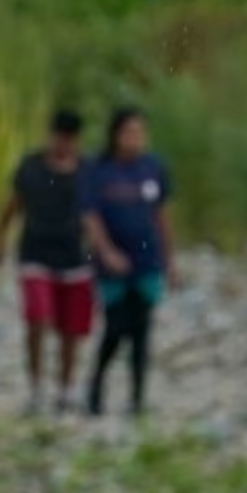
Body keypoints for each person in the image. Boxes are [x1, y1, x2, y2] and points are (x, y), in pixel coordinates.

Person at [0, 109, 93, 415]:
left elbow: (96, 214)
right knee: (38, 316)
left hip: (74, 256)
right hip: (35, 252)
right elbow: (12, 206)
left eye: (69, 138)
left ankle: (66, 388)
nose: (63, 144)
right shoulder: (31, 167)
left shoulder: (87, 171)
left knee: (70, 330)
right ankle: (36, 388)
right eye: (58, 137)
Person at [81, 107, 178, 417]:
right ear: (115, 134)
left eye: (140, 132)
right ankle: (96, 386)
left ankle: (136, 399)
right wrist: (106, 251)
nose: (134, 139)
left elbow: (162, 216)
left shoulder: (153, 168)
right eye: (128, 132)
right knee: (116, 326)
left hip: (146, 260)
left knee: (142, 330)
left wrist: (170, 259)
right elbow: (90, 216)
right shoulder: (99, 170)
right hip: (112, 264)